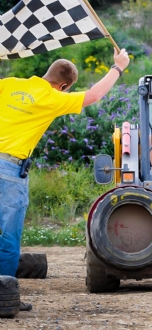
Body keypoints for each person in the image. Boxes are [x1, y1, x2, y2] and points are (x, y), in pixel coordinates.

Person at [0, 48, 130, 312]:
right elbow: (93, 96)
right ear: (63, 86)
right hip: (9, 170)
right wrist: (118, 67)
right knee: (7, 236)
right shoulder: (52, 98)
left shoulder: (11, 84)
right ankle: (4, 295)